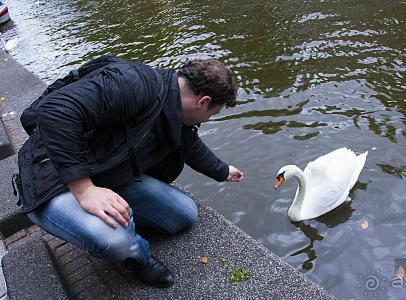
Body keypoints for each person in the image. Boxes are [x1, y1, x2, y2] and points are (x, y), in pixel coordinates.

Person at [15, 57, 244, 288]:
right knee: (115, 240)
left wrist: (223, 171)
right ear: (203, 102)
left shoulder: (175, 106)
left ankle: (117, 214)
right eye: (213, 113)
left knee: (183, 214)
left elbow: (189, 145)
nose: (209, 119)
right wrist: (84, 190)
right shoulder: (134, 83)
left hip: (106, 172)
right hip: (53, 178)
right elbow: (55, 110)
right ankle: (137, 257)